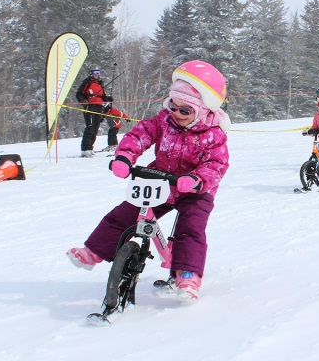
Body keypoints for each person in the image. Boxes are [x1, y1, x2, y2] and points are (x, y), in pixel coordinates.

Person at [67, 60, 231, 301]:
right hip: (162, 180)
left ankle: (188, 274)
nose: (176, 113)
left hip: (196, 189)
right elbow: (141, 134)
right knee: (124, 213)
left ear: (203, 110)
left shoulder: (213, 134)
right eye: (173, 106)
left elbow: (217, 164)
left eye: (185, 110)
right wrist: (124, 157)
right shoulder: (164, 121)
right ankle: (94, 252)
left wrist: (196, 179)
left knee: (190, 229)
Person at [76, 65, 113, 157]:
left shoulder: (100, 83)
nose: (96, 75)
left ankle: (90, 148)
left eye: (98, 73)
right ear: (91, 73)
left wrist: (108, 98)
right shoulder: (87, 82)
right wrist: (83, 100)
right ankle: (85, 149)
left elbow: (103, 96)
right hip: (90, 106)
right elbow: (79, 94)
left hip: (99, 107)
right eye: (95, 73)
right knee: (90, 127)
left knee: (96, 128)